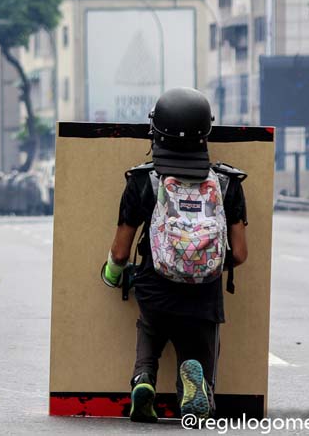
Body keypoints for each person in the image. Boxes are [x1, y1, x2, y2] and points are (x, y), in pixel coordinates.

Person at [100, 87, 248, 423]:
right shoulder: (227, 183)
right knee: (196, 345)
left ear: (156, 130)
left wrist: (110, 275)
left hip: (155, 289)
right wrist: (201, 264)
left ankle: (144, 380)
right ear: (206, 131)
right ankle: (194, 393)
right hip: (204, 296)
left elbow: (120, 251)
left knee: (150, 328)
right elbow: (239, 253)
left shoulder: (142, 180)